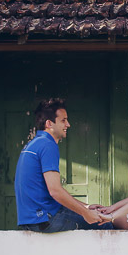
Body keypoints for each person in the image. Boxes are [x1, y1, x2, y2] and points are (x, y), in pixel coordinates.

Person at [14, 98, 110, 232]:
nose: (68, 124)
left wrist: (86, 207)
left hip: (32, 219)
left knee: (93, 216)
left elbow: (51, 194)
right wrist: (85, 213)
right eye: (63, 120)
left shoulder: (35, 143)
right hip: (45, 219)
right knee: (105, 224)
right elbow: (55, 191)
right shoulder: (48, 145)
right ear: (49, 124)